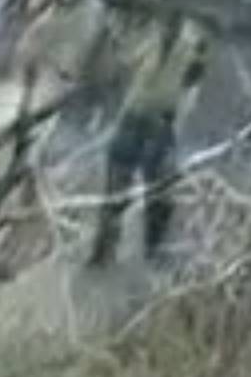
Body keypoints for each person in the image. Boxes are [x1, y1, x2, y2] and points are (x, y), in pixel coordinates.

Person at [88, 16, 208, 268]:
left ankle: (154, 252)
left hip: (161, 121)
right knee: (116, 185)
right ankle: (105, 249)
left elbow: (192, 89)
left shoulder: (196, 42)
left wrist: (176, 125)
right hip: (133, 115)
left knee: (160, 192)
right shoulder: (148, 32)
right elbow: (122, 64)